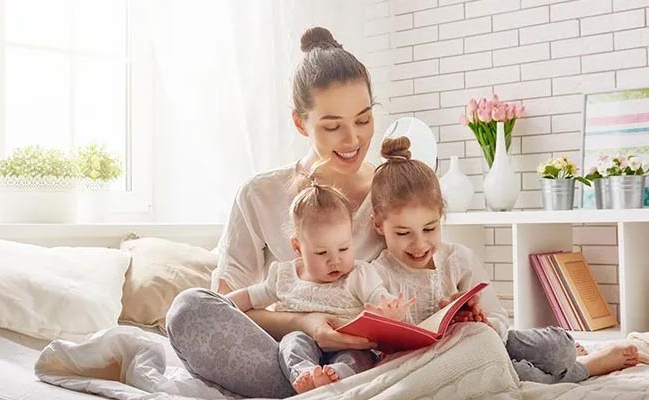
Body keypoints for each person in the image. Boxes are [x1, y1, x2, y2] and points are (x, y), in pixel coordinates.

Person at [165, 26, 386, 398]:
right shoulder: (260, 195)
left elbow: (429, 280)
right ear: (301, 123)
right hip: (288, 353)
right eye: (332, 127)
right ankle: (324, 388)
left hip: (376, 357)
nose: (353, 141)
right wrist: (307, 323)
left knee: (480, 337)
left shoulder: (393, 190)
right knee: (189, 311)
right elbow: (226, 308)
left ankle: (335, 387)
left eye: (363, 120)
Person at [368, 136, 641, 384]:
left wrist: (480, 320)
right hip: (450, 362)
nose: (419, 244)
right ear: (379, 225)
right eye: (403, 233)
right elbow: (379, 353)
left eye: (430, 228)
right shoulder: (376, 275)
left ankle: (572, 356)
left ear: (441, 216)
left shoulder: (458, 258)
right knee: (511, 374)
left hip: (490, 339)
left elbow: (500, 321)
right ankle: (587, 367)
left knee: (559, 348)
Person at [227, 166, 412, 393]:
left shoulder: (359, 275)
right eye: (322, 253)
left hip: (349, 344)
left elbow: (379, 297)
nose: (335, 261)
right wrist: (222, 304)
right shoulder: (284, 276)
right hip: (305, 341)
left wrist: (391, 311)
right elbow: (251, 296)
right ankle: (305, 375)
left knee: (358, 358)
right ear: (298, 247)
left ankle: (338, 379)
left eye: (343, 248)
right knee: (291, 343)